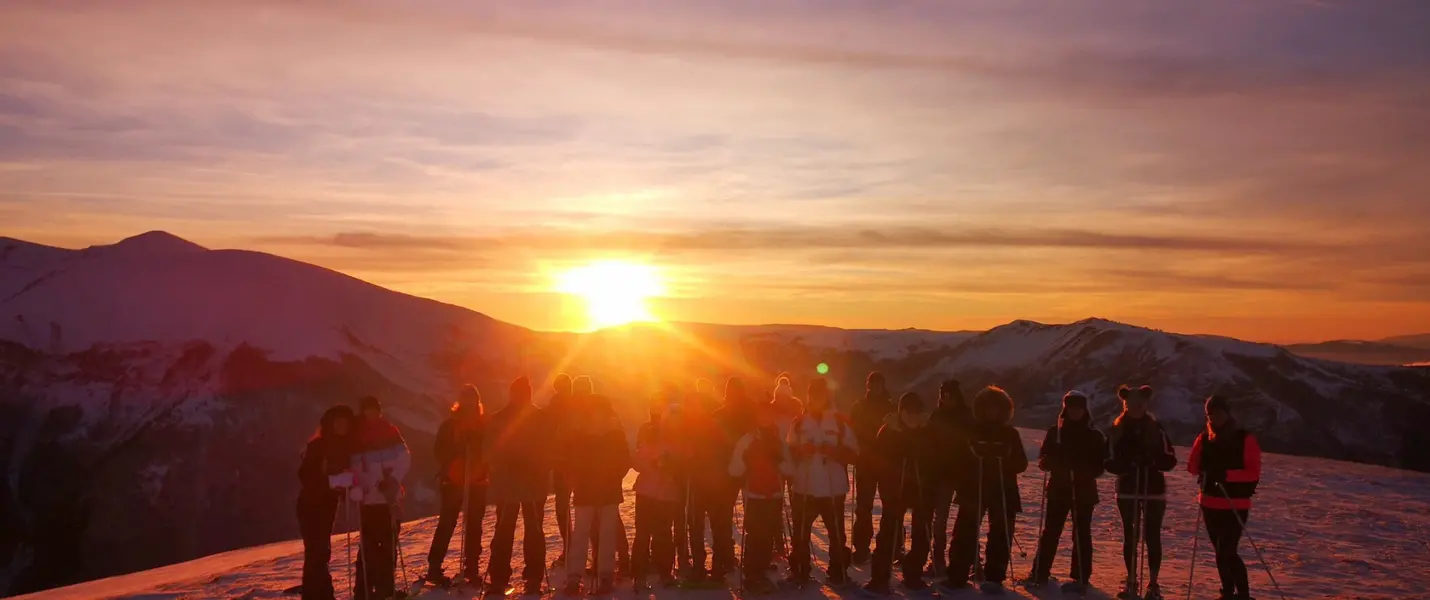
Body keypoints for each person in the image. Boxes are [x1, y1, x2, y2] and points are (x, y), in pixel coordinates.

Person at [946, 386, 1027, 595]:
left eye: (997, 408)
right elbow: (959, 459)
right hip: (974, 488)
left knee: (1001, 533)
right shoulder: (972, 430)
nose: (993, 412)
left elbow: (1021, 463)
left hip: (1002, 488)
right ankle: (957, 573)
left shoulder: (1010, 434)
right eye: (989, 408)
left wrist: (1004, 458)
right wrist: (975, 458)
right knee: (965, 531)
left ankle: (994, 576)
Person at [1030, 391, 1108, 594]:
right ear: (1066, 409)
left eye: (1078, 408)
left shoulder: (1094, 435)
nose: (1075, 412)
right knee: (1051, 532)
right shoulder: (1055, 432)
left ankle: (1081, 577)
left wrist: (1081, 470)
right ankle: (1039, 572)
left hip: (1083, 491)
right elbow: (1044, 457)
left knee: (1081, 534)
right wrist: (1048, 462)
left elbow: (1100, 465)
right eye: (1071, 408)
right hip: (1059, 489)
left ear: (1084, 410)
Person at [1105, 385, 1178, 600]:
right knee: (1131, 535)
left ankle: (1153, 583)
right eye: (1130, 405)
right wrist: (1125, 466)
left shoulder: (1156, 428)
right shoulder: (1117, 429)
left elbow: (1170, 458)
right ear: (1124, 405)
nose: (1135, 408)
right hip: (1128, 489)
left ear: (1146, 404)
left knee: (1152, 535)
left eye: (1139, 405)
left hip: (1152, 489)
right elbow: (1107, 459)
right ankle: (1131, 580)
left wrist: (1153, 462)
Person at [1187, 396, 1262, 600]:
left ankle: (1243, 595)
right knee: (1221, 552)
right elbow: (1192, 468)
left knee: (1226, 550)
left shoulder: (1245, 439)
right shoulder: (1204, 439)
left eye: (1218, 412)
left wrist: (1226, 474)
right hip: (1209, 502)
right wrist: (1204, 466)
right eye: (1210, 414)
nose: (1215, 417)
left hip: (1235, 504)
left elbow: (1253, 472)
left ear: (1228, 413)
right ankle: (1228, 592)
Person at [786, 377, 858, 586]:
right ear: (808, 396)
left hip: (833, 487)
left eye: (819, 394)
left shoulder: (839, 421)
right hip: (804, 487)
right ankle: (799, 571)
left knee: (837, 535)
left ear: (826, 396)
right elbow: (787, 452)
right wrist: (800, 451)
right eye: (812, 394)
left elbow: (855, 452)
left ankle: (838, 572)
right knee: (800, 534)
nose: (815, 398)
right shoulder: (798, 422)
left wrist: (837, 453)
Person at [864, 393, 938, 595]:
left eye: (915, 413)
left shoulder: (927, 431)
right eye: (907, 413)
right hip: (895, 488)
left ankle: (913, 574)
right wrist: (888, 485)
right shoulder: (889, 431)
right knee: (889, 532)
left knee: (921, 533)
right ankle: (879, 578)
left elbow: (935, 459)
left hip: (921, 489)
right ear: (901, 412)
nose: (912, 417)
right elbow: (879, 461)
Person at [485, 377, 549, 594]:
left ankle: (502, 578)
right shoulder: (540, 417)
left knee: (509, 530)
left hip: (518, 482)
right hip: (523, 482)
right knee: (528, 530)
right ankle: (529, 578)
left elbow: (492, 449)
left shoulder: (501, 418)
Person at [562, 404, 631, 596]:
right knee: (581, 534)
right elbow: (570, 459)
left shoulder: (615, 435)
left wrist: (615, 476)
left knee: (606, 534)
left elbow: (625, 460)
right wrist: (572, 475)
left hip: (607, 490)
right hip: (586, 490)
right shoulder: (580, 435)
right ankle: (575, 576)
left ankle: (605, 575)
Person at [729, 399, 795, 594]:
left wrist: (779, 461)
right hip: (755, 495)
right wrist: (746, 462)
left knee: (767, 536)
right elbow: (734, 469)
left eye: (768, 414)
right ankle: (751, 575)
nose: (765, 418)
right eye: (761, 414)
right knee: (755, 536)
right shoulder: (748, 439)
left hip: (774, 495)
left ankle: (761, 573)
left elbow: (789, 469)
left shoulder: (778, 440)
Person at [423, 386, 486, 587]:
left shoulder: (480, 426)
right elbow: (440, 451)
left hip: (472, 481)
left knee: (470, 525)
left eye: (472, 400)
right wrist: (459, 451)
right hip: (459, 480)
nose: (469, 404)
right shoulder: (453, 426)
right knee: (451, 523)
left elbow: (491, 449)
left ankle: (468, 566)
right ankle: (439, 567)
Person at [351, 396, 412, 600]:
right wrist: (379, 484)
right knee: (368, 548)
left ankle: (385, 589)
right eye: (368, 410)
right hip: (370, 500)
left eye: (375, 410)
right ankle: (365, 590)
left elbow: (405, 457)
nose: (372, 414)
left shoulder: (390, 430)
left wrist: (393, 481)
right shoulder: (358, 436)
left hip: (389, 499)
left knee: (388, 546)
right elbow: (356, 468)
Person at [678, 379, 739, 583]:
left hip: (715, 482)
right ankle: (698, 566)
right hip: (695, 483)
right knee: (695, 528)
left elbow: (726, 448)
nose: (692, 408)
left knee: (718, 526)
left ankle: (719, 566)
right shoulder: (684, 427)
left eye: (695, 404)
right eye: (689, 405)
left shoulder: (713, 423)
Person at [572, 376, 631, 578]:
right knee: (590, 528)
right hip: (588, 485)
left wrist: (614, 475)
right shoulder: (578, 419)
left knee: (605, 527)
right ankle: (597, 566)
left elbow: (623, 456)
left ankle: (613, 565)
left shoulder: (603, 420)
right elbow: (570, 454)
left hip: (603, 485)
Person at [297, 405, 356, 600]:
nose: (343, 426)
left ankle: (318, 594)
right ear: (330, 424)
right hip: (311, 505)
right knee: (317, 552)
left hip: (327, 505)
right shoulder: (319, 446)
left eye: (346, 423)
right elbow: (306, 476)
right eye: (339, 422)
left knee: (320, 552)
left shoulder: (343, 446)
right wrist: (334, 481)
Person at [632, 390, 682, 590]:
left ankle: (664, 572)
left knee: (662, 534)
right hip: (647, 490)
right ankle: (640, 574)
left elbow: (682, 458)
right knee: (643, 533)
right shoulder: (646, 431)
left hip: (666, 492)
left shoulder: (675, 433)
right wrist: (651, 462)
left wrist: (669, 465)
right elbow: (636, 459)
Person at [928, 379, 972, 580]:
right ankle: (938, 561)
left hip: (958, 474)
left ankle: (966, 560)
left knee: (964, 520)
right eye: (943, 395)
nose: (946, 398)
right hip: (944, 474)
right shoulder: (944, 416)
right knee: (941, 520)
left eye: (949, 395)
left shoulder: (960, 416)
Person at [850, 372, 895, 565]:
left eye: (876, 384)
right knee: (864, 507)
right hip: (871, 462)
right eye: (871, 384)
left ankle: (888, 546)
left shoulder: (885, 407)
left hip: (883, 463)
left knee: (888, 507)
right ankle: (863, 548)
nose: (873, 387)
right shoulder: (865, 406)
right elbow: (852, 431)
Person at [547, 374, 576, 564]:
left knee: (563, 506)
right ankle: (592, 551)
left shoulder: (553, 407)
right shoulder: (579, 405)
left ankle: (570, 548)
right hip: (578, 462)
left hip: (561, 462)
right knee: (585, 506)